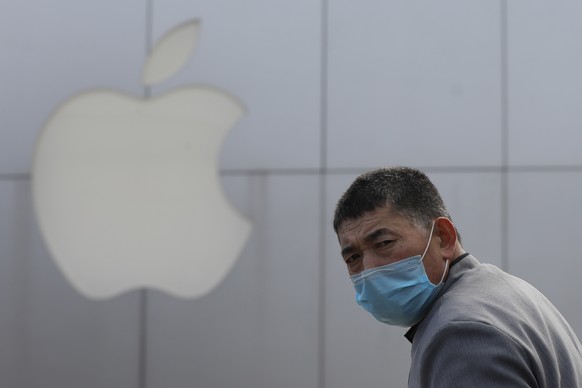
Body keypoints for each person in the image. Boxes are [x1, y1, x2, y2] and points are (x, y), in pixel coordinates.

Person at [333, 166, 582, 387]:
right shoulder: (508, 292)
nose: (370, 268)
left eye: (384, 243)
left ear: (443, 237)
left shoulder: (460, 333)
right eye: (353, 258)